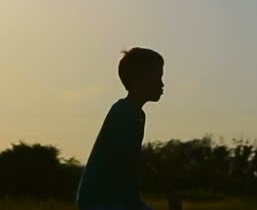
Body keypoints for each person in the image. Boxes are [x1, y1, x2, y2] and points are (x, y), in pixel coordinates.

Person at [77, 47, 180, 210]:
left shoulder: (137, 114)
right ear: (138, 79)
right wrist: (166, 188)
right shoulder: (124, 111)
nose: (162, 84)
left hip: (120, 199)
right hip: (100, 200)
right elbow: (129, 160)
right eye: (157, 77)